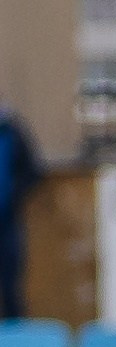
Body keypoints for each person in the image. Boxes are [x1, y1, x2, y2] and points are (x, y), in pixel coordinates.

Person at [0, 101, 41, 321]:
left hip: (8, 220)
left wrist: (14, 193)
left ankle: (14, 331)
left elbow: (33, 172)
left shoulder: (13, 133)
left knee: (11, 284)